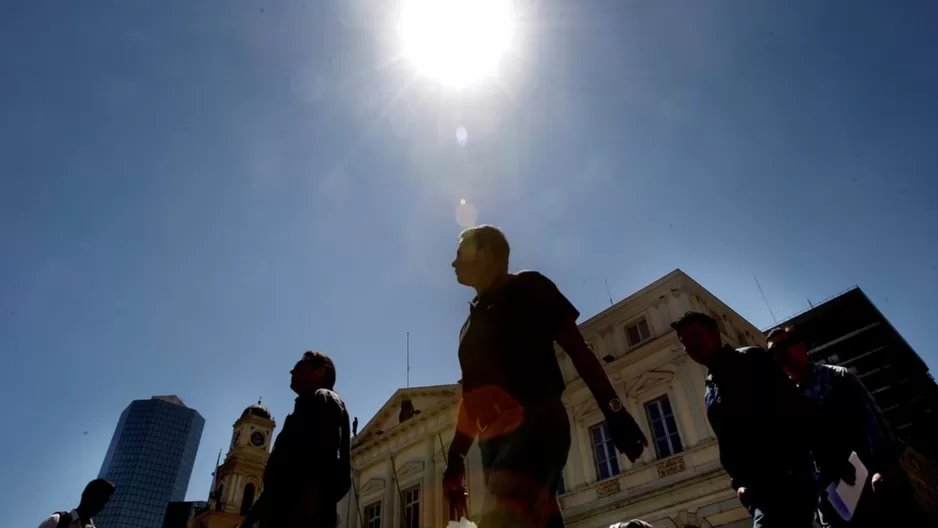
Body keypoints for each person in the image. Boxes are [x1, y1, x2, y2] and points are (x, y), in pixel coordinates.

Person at [444, 225, 648, 528]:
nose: (453, 262)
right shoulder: (468, 326)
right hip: (496, 445)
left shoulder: (529, 286)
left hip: (536, 424)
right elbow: (471, 399)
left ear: (485, 252)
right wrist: (455, 459)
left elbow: (579, 350)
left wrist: (614, 412)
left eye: (459, 253)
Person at [671, 312, 828, 528]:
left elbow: (797, 406)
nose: (690, 344)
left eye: (695, 335)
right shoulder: (710, 388)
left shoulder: (750, 359)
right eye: (684, 341)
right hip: (759, 491)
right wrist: (739, 484)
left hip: (787, 479)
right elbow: (727, 443)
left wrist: (800, 465)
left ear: (715, 333)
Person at [767, 325, 924, 526]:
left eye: (785, 345)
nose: (780, 354)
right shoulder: (784, 402)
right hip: (828, 505)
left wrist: (880, 469)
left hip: (865, 489)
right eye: (772, 352)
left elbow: (873, 426)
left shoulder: (836, 377)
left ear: (802, 346)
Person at [241, 351, 351, 528]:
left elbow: (325, 466)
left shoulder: (325, 399)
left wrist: (307, 513)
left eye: (300, 365)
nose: (292, 372)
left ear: (319, 371)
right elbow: (275, 484)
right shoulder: (298, 413)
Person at [39, 479, 115, 528]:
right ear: (86, 496)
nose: (102, 506)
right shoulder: (57, 521)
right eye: (100, 499)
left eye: (105, 501)